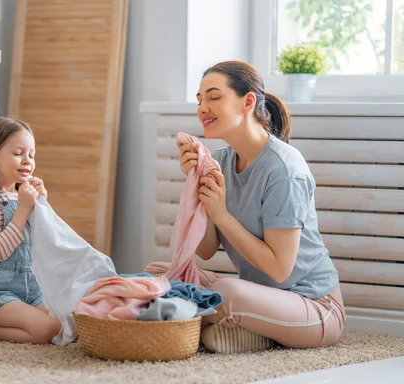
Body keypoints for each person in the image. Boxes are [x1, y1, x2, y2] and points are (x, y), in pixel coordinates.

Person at [146, 61, 346, 353]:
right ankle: (246, 331)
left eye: (214, 97)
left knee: (225, 293)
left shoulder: (283, 169)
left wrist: (222, 215)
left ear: (247, 102)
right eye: (200, 100)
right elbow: (205, 250)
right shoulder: (222, 161)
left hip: (313, 306)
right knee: (156, 274)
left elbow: (280, 269)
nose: (202, 108)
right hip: (260, 295)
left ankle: (236, 325)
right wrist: (195, 184)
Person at [0, 117, 61, 344]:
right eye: (18, 153)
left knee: (67, 324)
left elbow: (48, 241)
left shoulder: (25, 197)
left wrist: (42, 204)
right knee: (48, 331)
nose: (27, 161)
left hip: (33, 291)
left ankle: (18, 319)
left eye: (31, 155)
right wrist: (25, 208)